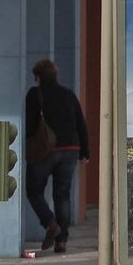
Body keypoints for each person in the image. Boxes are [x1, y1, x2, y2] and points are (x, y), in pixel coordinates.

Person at [25, 59, 90, 253]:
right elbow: (81, 123)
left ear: (37, 77)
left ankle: (50, 223)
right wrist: (85, 151)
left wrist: (29, 145)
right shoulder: (68, 95)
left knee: (34, 190)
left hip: (46, 149)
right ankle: (62, 242)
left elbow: (30, 125)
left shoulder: (35, 95)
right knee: (62, 195)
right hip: (71, 149)